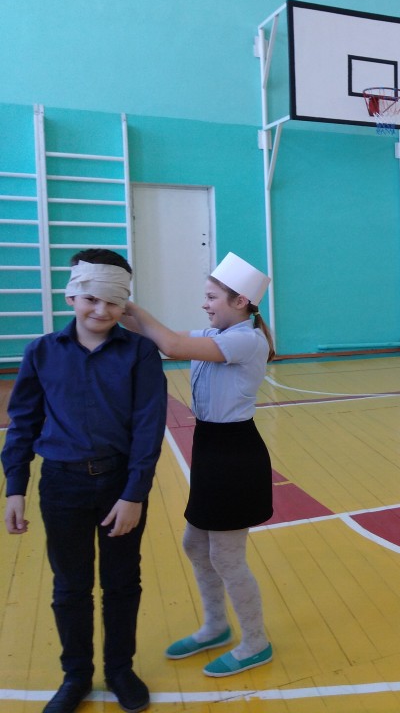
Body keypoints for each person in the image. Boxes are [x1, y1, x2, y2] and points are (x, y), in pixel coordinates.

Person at [2, 248, 167, 713]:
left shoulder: (140, 353)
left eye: (113, 301)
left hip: (119, 484)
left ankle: (119, 669)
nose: (101, 310)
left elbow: (148, 426)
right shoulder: (41, 352)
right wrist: (15, 486)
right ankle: (75, 675)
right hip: (62, 486)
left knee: (122, 581)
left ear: (125, 304)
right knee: (70, 586)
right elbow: (23, 422)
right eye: (92, 298)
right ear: (71, 295)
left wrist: (134, 494)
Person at [122, 252, 275, 677]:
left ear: (240, 301)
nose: (204, 304)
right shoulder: (216, 333)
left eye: (211, 297)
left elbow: (171, 345)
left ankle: (256, 642)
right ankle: (215, 626)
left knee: (227, 557)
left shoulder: (246, 340)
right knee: (195, 543)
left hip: (234, 456)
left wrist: (132, 307)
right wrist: (114, 305)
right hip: (210, 449)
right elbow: (161, 336)